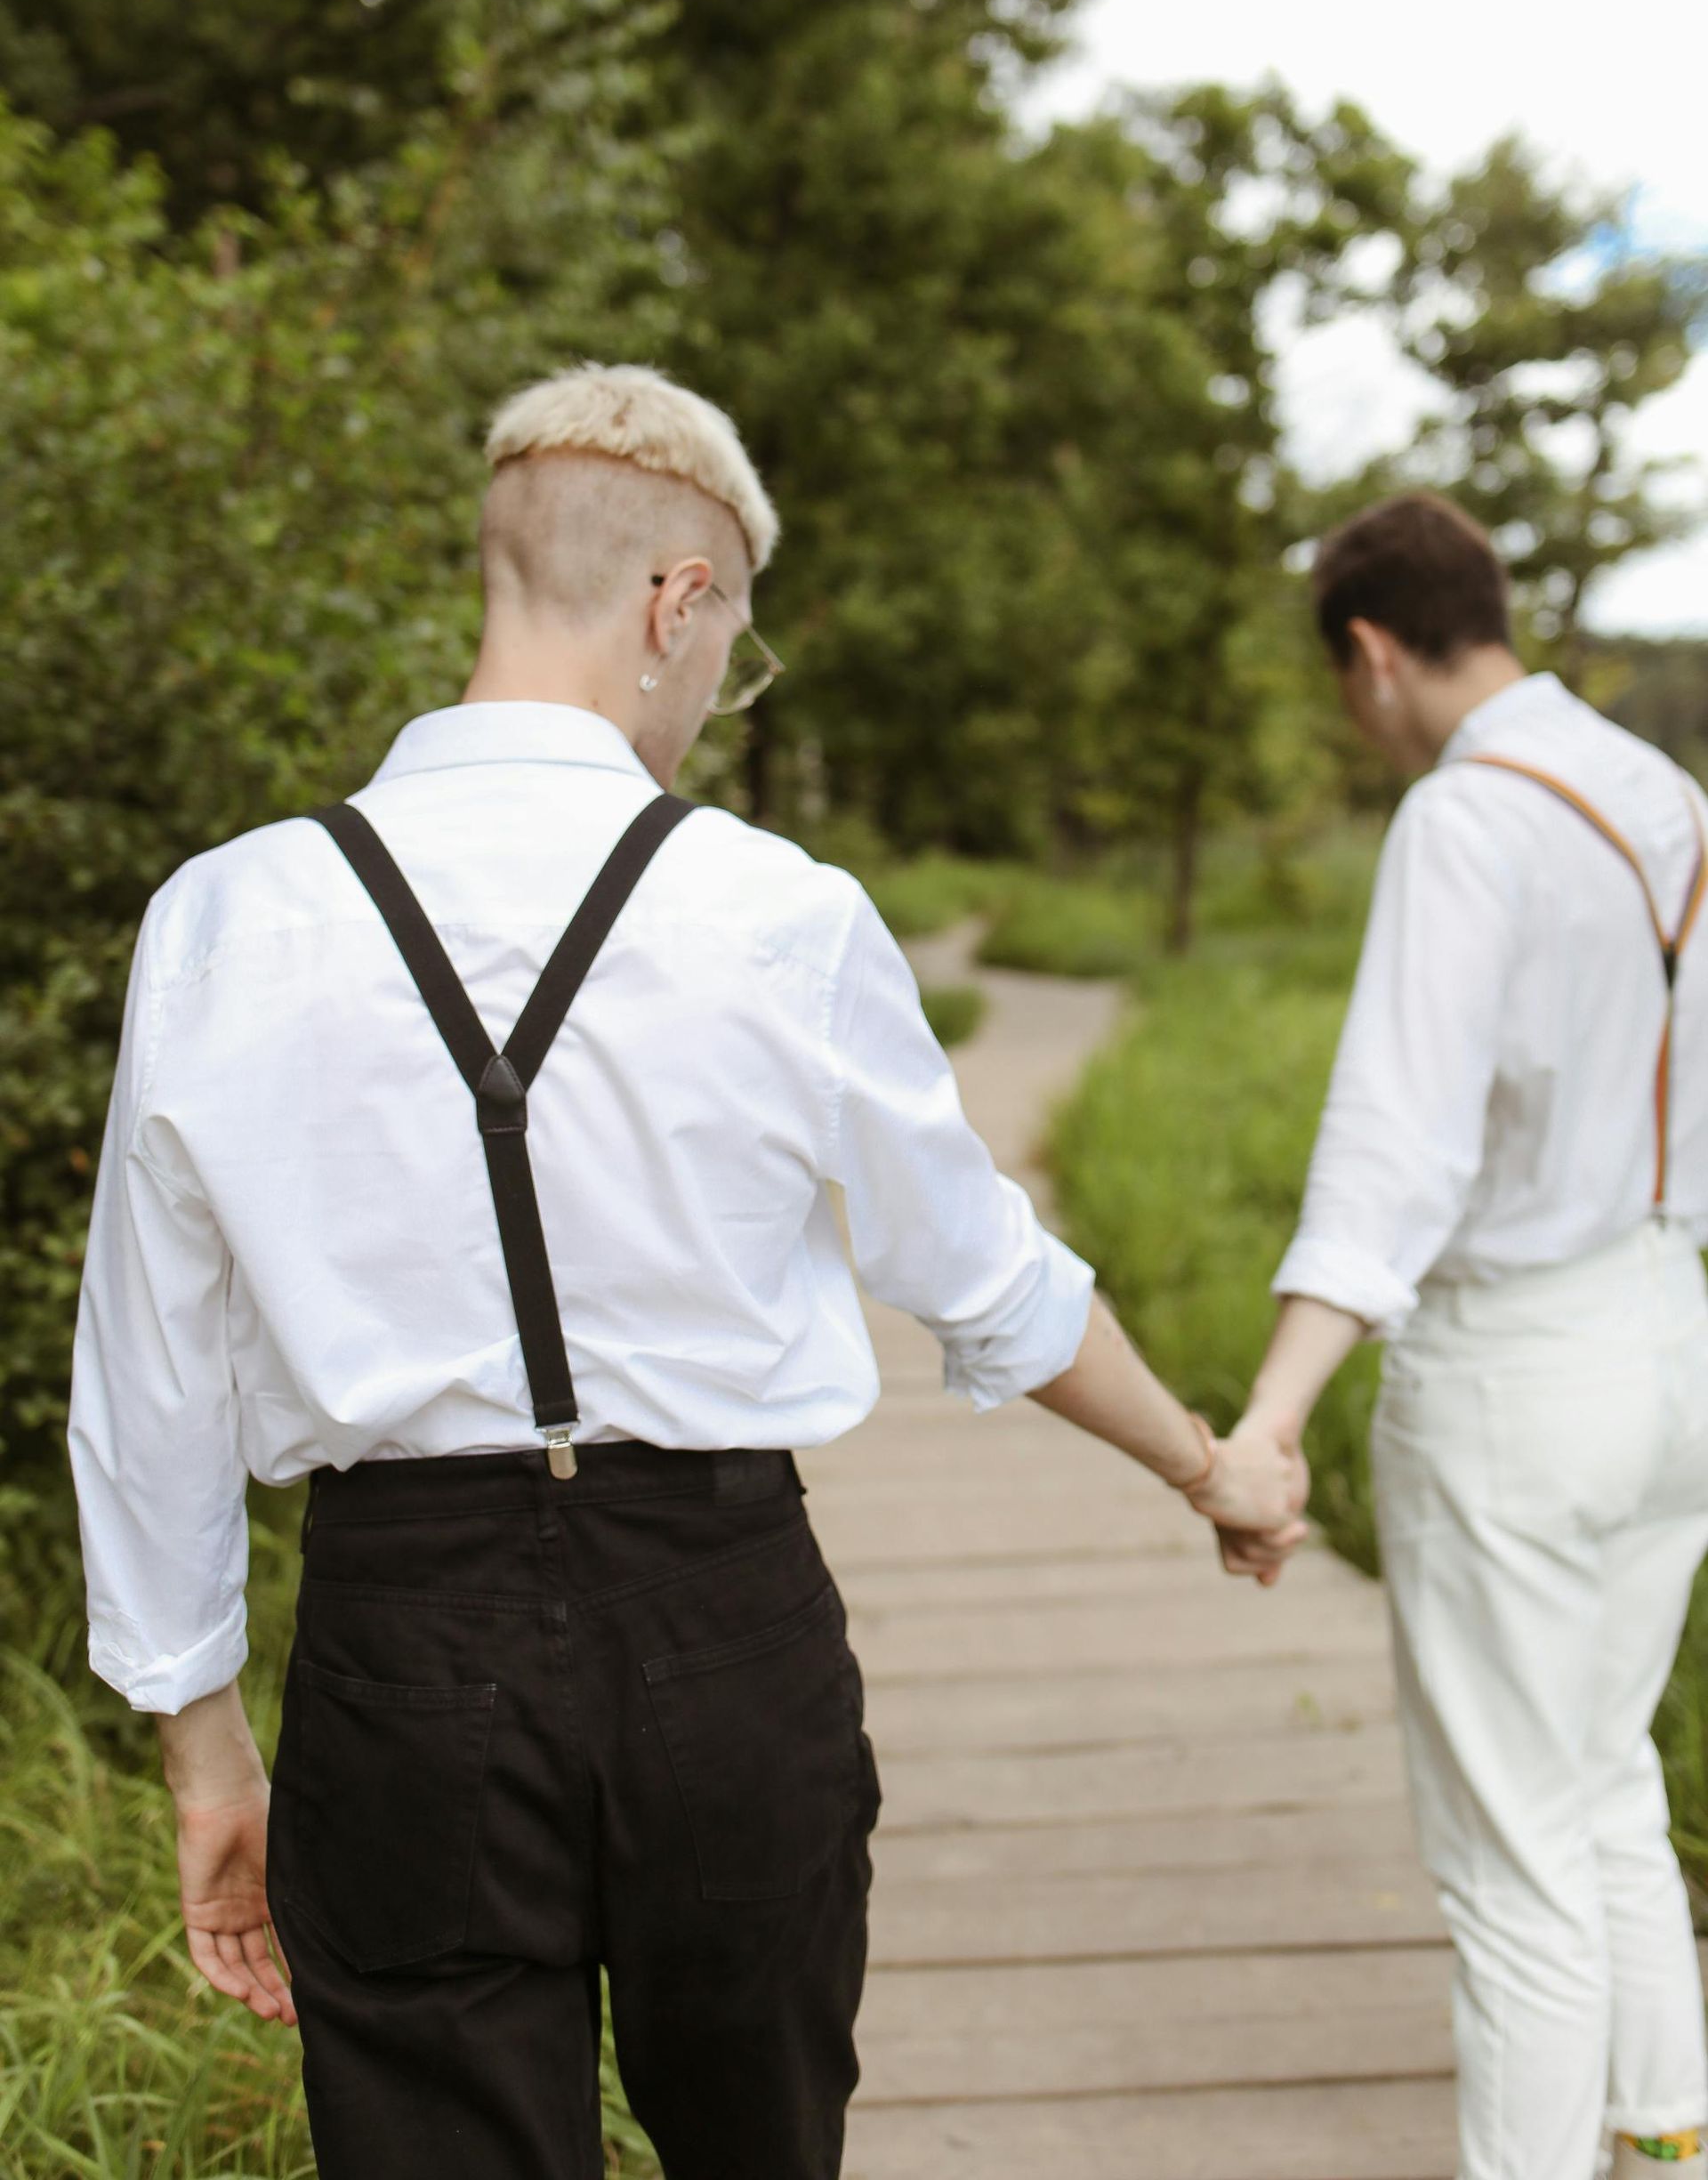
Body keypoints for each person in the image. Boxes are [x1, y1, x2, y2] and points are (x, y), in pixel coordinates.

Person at [68, 362, 1305, 2180]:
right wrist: (1211, 1467)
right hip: (724, 1626)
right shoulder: (777, 914)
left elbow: (147, 1386)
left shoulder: (227, 917)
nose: (726, 690)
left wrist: (208, 1759)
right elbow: (986, 1278)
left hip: (401, 1653)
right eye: (738, 643)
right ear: (678, 599)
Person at [1222, 492, 1708, 2180]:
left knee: (1513, 1868)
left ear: (1370, 650)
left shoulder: (1465, 818)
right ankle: (1665, 2156)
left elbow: (1392, 1149)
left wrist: (1270, 1419)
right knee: (1606, 1795)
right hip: (1666, 1334)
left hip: (1518, 1370)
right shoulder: (1666, 801)